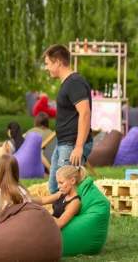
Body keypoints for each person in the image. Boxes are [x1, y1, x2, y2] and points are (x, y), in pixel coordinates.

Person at [42, 44, 93, 194]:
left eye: (47, 64)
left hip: (72, 145)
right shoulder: (67, 83)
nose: (46, 68)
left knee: (66, 190)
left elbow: (85, 113)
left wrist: (78, 146)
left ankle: (72, 217)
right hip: (64, 143)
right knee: (54, 188)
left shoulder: (74, 83)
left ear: (57, 62)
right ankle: (60, 217)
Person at [32, 165, 85, 229]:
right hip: (49, 225)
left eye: (61, 183)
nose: (58, 186)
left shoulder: (75, 202)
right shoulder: (62, 193)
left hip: (56, 231)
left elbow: (59, 223)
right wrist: (29, 200)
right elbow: (43, 201)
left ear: (72, 181)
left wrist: (42, 212)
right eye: (57, 183)